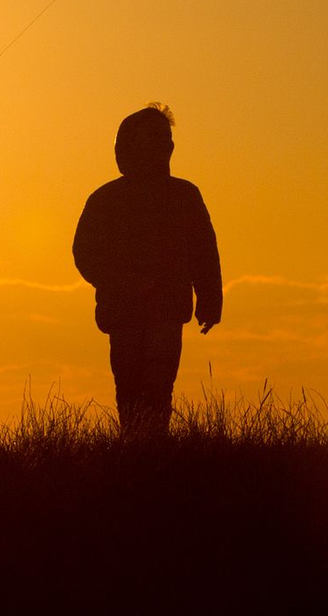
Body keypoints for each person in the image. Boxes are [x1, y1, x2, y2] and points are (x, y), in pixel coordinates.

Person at [73, 104, 223, 436]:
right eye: (152, 139)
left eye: (165, 139)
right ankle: (137, 448)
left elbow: (204, 252)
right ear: (127, 148)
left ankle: (152, 447)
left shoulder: (184, 196)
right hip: (123, 312)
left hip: (167, 311)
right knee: (128, 384)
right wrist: (123, 282)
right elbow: (85, 254)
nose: (162, 147)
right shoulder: (106, 200)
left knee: (158, 384)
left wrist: (211, 300)